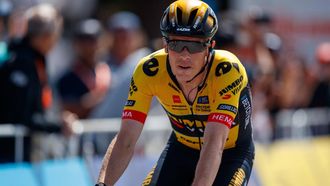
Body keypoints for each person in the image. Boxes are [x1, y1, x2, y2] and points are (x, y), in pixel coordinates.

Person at [96, 0, 254, 185]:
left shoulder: (226, 70)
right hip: (181, 150)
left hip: (229, 153)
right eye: (176, 45)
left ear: (210, 47)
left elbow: (214, 144)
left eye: (195, 46)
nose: (184, 55)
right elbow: (126, 140)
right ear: (165, 44)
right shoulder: (149, 71)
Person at [0, 3, 74, 163]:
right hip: (8, 156)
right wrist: (58, 125)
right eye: (56, 34)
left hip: (23, 152)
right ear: (46, 36)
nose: (55, 41)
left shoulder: (36, 59)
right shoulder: (20, 62)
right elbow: (22, 115)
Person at [56, 19, 111, 119]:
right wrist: (92, 101)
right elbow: (68, 111)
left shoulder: (111, 70)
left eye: (92, 40)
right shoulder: (67, 78)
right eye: (83, 40)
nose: (88, 46)